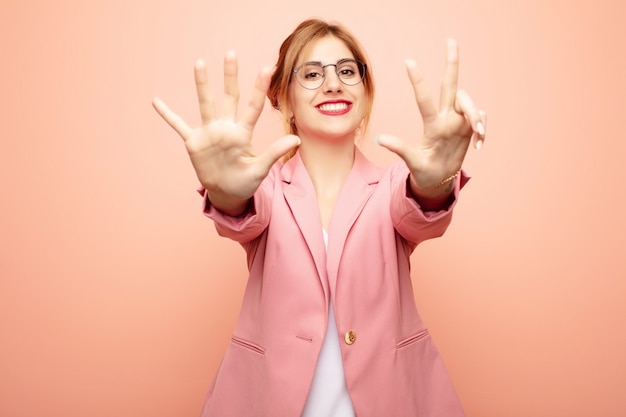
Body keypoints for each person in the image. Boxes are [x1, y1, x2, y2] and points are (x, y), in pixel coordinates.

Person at [153, 17, 485, 417]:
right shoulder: (267, 191)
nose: (334, 83)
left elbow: (421, 209)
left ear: (365, 91)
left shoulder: (394, 185)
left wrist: (440, 178)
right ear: (284, 99)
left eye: (347, 71)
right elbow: (239, 212)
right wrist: (225, 189)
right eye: (311, 73)